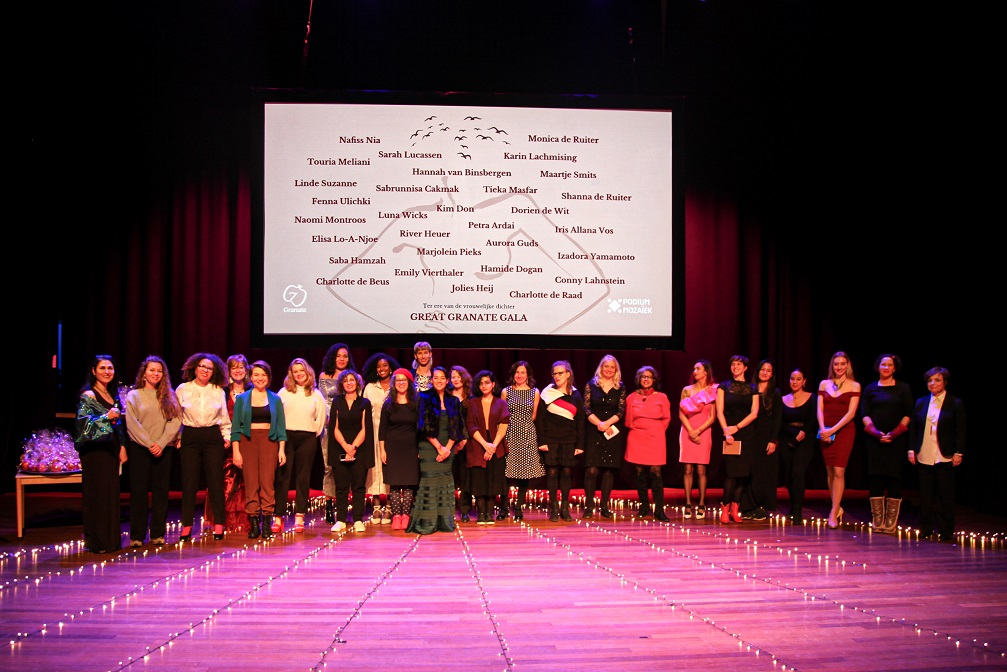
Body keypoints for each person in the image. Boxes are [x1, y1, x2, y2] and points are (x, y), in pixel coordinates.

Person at [124, 355, 182, 547]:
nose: (156, 374)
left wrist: (161, 443)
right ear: (144, 373)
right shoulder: (134, 395)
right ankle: (137, 536)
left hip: (163, 449)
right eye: (152, 370)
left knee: (161, 491)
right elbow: (132, 423)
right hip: (140, 449)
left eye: (159, 371)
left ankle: (158, 534)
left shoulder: (169, 395)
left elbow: (176, 421)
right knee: (139, 491)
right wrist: (149, 444)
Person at [74, 355, 129, 554]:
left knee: (110, 495)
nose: (107, 371)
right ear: (94, 371)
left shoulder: (112, 394)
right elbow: (83, 426)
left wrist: (122, 446)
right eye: (102, 368)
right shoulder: (89, 395)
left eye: (110, 368)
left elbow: (118, 424)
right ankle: (97, 542)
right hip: (95, 452)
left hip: (110, 449)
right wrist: (106, 416)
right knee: (97, 495)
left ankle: (110, 541)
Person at [176, 353, 231, 542]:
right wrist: (178, 437)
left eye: (209, 368)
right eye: (202, 366)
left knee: (215, 482)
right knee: (189, 483)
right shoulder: (183, 389)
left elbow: (224, 417)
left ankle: (219, 524)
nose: (206, 371)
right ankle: (186, 525)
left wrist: (226, 436)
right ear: (195, 368)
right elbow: (176, 416)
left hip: (212, 436)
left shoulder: (218, 390)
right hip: (190, 436)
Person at [909, 367, 966, 542]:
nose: (933, 383)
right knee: (925, 495)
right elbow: (914, 428)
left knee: (945, 495)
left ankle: (946, 530)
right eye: (930, 380)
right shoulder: (921, 402)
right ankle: (925, 529)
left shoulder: (954, 403)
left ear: (945, 382)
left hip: (944, 454)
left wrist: (958, 452)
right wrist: (911, 449)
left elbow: (960, 430)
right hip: (924, 452)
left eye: (937, 380)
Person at [231, 360, 287, 539]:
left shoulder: (275, 399)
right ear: (250, 377)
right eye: (256, 375)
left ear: (268, 378)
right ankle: (254, 522)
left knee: (267, 482)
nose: (259, 378)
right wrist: (236, 451)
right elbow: (235, 428)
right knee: (251, 482)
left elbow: (281, 427)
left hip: (269, 442)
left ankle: (267, 522)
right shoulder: (242, 399)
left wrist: (281, 449)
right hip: (247, 442)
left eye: (263, 375)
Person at [860, 354, 914, 533]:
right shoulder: (870, 388)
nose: (886, 367)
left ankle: (891, 520)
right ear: (878, 367)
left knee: (894, 478)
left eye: (889, 365)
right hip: (874, 440)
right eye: (883, 364)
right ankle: (877, 518)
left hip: (896, 440)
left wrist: (894, 433)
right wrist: (876, 433)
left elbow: (908, 413)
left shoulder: (903, 388)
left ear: (894, 368)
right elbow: (864, 414)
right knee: (875, 477)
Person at [408, 366, 463, 534]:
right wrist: (439, 448)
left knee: (445, 482)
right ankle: (427, 522)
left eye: (442, 378)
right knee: (430, 482)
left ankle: (444, 522)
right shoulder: (423, 397)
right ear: (431, 380)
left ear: (447, 381)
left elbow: (457, 427)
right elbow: (423, 425)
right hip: (429, 446)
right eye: (436, 377)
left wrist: (447, 448)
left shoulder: (453, 400)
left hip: (448, 446)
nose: (439, 380)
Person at [276, 358, 327, 534]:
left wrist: (311, 433)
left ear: (308, 372)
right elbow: (277, 417)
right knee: (283, 477)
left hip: (307, 438)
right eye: (295, 371)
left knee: (303, 478)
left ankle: (299, 515)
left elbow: (321, 419)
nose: (299, 374)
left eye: (301, 370)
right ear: (291, 374)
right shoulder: (284, 393)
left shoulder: (315, 394)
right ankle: (278, 515)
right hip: (286, 438)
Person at [204, 354, 250, 534]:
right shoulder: (221, 392)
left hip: (247, 441)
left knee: (246, 481)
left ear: (246, 370)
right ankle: (222, 520)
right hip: (224, 442)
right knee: (225, 481)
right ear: (228, 371)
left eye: (241, 367)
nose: (238, 370)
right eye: (234, 367)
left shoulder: (253, 390)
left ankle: (245, 518)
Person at [816, 351, 861, 529]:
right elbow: (819, 409)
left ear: (848, 365)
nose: (839, 367)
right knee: (829, 470)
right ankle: (836, 506)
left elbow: (851, 413)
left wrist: (833, 430)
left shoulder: (854, 385)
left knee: (839, 471)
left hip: (844, 431)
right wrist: (823, 429)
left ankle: (833, 511)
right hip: (825, 431)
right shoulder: (824, 383)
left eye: (843, 363)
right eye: (836, 364)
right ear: (832, 366)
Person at [536, 360, 585, 522]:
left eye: (560, 373)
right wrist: (542, 441)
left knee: (566, 472)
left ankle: (565, 508)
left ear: (568, 374)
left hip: (569, 439)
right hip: (551, 439)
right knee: (551, 473)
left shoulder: (576, 395)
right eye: (554, 373)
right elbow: (540, 419)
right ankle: (554, 508)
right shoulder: (547, 393)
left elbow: (580, 421)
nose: (557, 376)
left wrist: (580, 444)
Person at [328, 368, 374, 533]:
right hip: (340, 448)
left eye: (352, 380)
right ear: (341, 384)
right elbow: (334, 427)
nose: (349, 383)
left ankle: (358, 519)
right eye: (345, 380)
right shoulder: (337, 401)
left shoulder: (364, 403)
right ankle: (341, 519)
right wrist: (345, 446)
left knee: (358, 486)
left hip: (359, 449)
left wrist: (353, 447)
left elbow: (365, 428)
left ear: (357, 383)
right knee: (341, 486)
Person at [624, 365, 672, 522]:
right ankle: (644, 507)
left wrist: (656, 430)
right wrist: (639, 428)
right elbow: (628, 420)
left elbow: (666, 418)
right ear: (639, 379)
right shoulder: (631, 397)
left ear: (654, 380)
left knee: (656, 473)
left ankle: (659, 510)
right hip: (637, 437)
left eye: (649, 377)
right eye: (643, 377)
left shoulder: (662, 397)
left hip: (656, 438)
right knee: (639, 473)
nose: (646, 379)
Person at [716, 355, 759, 524]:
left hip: (746, 433)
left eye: (739, 364)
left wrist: (738, 427)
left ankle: (735, 509)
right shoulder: (724, 386)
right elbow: (719, 411)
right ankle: (725, 508)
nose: (735, 367)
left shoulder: (753, 388)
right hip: (729, 434)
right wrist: (727, 431)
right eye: (733, 364)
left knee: (743, 474)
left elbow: (754, 413)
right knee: (731, 473)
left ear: (745, 368)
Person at [582, 355, 626, 519]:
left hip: (612, 431)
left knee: (608, 471)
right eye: (606, 366)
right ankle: (589, 507)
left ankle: (604, 506)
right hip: (594, 430)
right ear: (601, 368)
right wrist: (599, 424)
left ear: (616, 370)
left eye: (612, 367)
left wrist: (607, 424)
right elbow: (586, 408)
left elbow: (621, 410)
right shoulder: (591, 385)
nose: (609, 369)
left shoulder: (620, 387)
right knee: (591, 470)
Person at [318, 343, 356, 524]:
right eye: (339, 355)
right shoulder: (323, 377)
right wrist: (329, 419)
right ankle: (328, 505)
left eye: (345, 356)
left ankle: (343, 506)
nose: (342, 359)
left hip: (347, 426)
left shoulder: (353, 377)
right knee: (329, 466)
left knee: (347, 466)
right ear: (333, 357)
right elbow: (322, 401)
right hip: (328, 426)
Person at [466, 370, 510, 524]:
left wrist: (493, 446)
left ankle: (489, 513)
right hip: (478, 443)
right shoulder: (473, 403)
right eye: (481, 383)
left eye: (487, 382)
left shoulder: (501, 403)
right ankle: (480, 513)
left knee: (493, 479)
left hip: (495, 443)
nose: (484, 386)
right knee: (479, 480)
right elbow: (470, 425)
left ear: (493, 384)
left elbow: (503, 424)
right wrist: (485, 445)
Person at [501, 360, 543, 521]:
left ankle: (518, 506)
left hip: (527, 435)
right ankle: (504, 507)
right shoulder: (506, 391)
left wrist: (524, 428)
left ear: (528, 375)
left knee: (524, 474)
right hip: (509, 433)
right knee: (507, 472)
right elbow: (502, 415)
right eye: (517, 372)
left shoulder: (535, 392)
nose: (519, 375)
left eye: (522, 372)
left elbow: (534, 416)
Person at [740, 359, 782, 520]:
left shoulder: (775, 393)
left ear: (772, 374)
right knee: (748, 471)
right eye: (762, 369)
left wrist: (773, 440)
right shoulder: (749, 389)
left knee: (763, 473)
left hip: (766, 438)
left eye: (768, 370)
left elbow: (777, 419)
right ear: (757, 371)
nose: (765, 372)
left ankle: (760, 506)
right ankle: (747, 506)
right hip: (749, 436)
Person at [379, 368, 421, 530]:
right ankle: (396, 516)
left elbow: (420, 428)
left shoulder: (416, 403)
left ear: (409, 383)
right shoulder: (388, 404)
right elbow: (382, 429)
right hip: (392, 448)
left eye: (404, 380)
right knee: (395, 484)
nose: (401, 383)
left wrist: (419, 448)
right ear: (394, 383)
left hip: (411, 448)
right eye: (398, 380)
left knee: (409, 483)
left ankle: (406, 516)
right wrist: (382, 450)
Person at [361, 352, 399, 525]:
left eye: (385, 365)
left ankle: (390, 507)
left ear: (391, 368)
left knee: (389, 466)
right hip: (373, 431)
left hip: (392, 432)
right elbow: (364, 411)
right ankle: (376, 506)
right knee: (374, 468)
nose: (382, 369)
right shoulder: (369, 388)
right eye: (378, 366)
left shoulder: (397, 386)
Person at [678, 360, 718, 520]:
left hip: (704, 431)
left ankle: (701, 503)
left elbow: (713, 416)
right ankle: (688, 502)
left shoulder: (713, 390)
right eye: (694, 368)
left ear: (706, 371)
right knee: (688, 469)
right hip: (687, 430)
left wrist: (698, 431)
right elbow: (681, 413)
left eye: (698, 368)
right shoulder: (687, 390)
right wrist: (691, 431)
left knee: (701, 469)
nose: (694, 371)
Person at [778, 368, 817, 523]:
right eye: (792, 379)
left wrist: (801, 433)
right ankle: (792, 506)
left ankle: (797, 510)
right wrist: (793, 433)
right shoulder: (782, 399)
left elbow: (813, 420)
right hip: (787, 438)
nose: (795, 382)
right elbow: (779, 422)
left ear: (804, 381)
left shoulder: (812, 398)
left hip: (805, 439)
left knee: (798, 472)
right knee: (789, 473)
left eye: (798, 379)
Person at [449, 365, 475, 521]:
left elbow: (472, 422)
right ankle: (449, 508)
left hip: (467, 443)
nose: (455, 379)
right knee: (449, 477)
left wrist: (464, 440)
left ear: (464, 378)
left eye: (458, 376)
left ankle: (465, 509)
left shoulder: (471, 399)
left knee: (465, 478)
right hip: (449, 443)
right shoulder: (446, 396)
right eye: (453, 377)